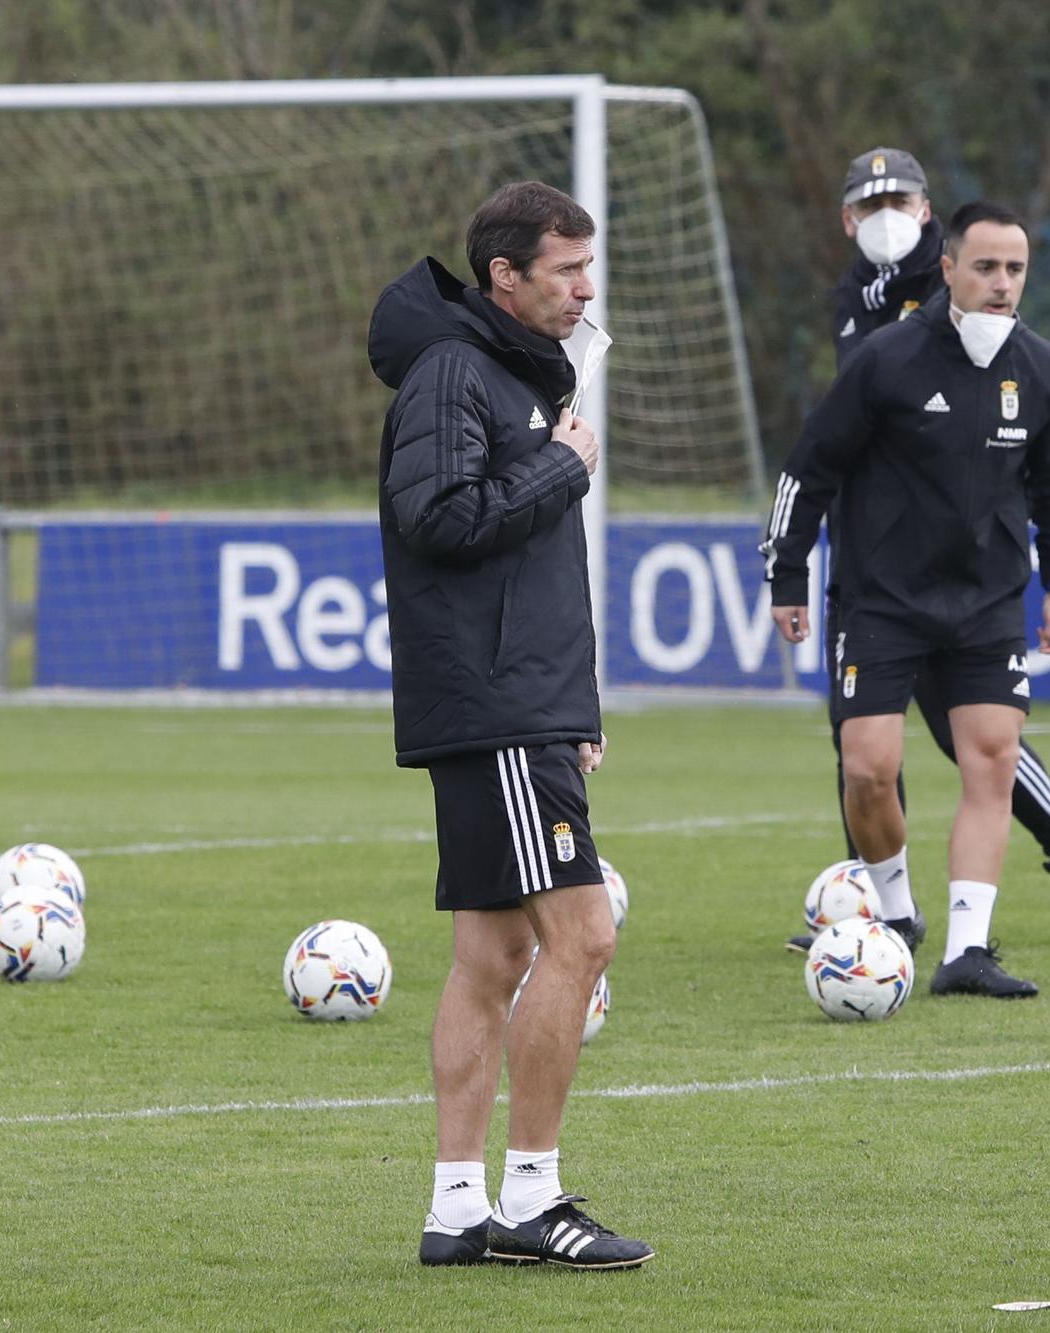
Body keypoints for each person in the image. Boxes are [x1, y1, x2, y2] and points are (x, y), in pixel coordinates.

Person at [371, 180, 652, 1271]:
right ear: (504, 277)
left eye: (590, 270)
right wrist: (562, 465)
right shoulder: (454, 373)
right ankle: (531, 1196)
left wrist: (569, 708)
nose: (586, 290)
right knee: (583, 937)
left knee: (490, 953)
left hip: (518, 705)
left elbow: (525, 562)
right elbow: (438, 520)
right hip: (496, 708)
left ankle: (454, 1210)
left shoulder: (514, 375)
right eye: (567, 272)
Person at [781, 148, 1050, 956]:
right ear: (848, 220)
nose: (1001, 280)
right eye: (872, 202)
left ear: (931, 219)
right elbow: (821, 453)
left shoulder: (998, 333)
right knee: (864, 751)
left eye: (903, 198)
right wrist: (791, 562)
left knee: (978, 743)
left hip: (972, 573)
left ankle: (1048, 863)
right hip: (879, 564)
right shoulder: (857, 309)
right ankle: (889, 909)